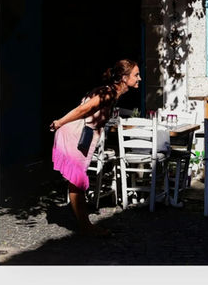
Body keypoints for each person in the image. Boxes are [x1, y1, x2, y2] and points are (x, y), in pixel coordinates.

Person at [50, 59, 141, 236]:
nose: (139, 78)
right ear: (124, 78)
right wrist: (59, 122)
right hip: (74, 135)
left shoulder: (112, 93)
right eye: (136, 75)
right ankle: (86, 227)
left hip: (83, 137)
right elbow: (82, 110)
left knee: (77, 181)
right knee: (77, 182)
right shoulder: (107, 93)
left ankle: (84, 224)